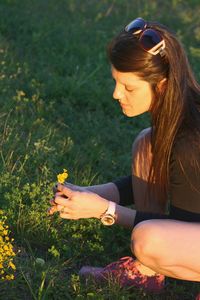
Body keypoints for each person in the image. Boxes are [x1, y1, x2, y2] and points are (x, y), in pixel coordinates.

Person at [48, 17, 200, 294]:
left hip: (192, 224)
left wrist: (104, 211)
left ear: (162, 85)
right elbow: (156, 179)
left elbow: (183, 227)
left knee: (149, 239)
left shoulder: (190, 140)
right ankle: (147, 273)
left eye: (129, 87)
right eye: (116, 82)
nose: (116, 93)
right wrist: (82, 194)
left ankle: (148, 261)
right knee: (147, 144)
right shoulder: (178, 115)